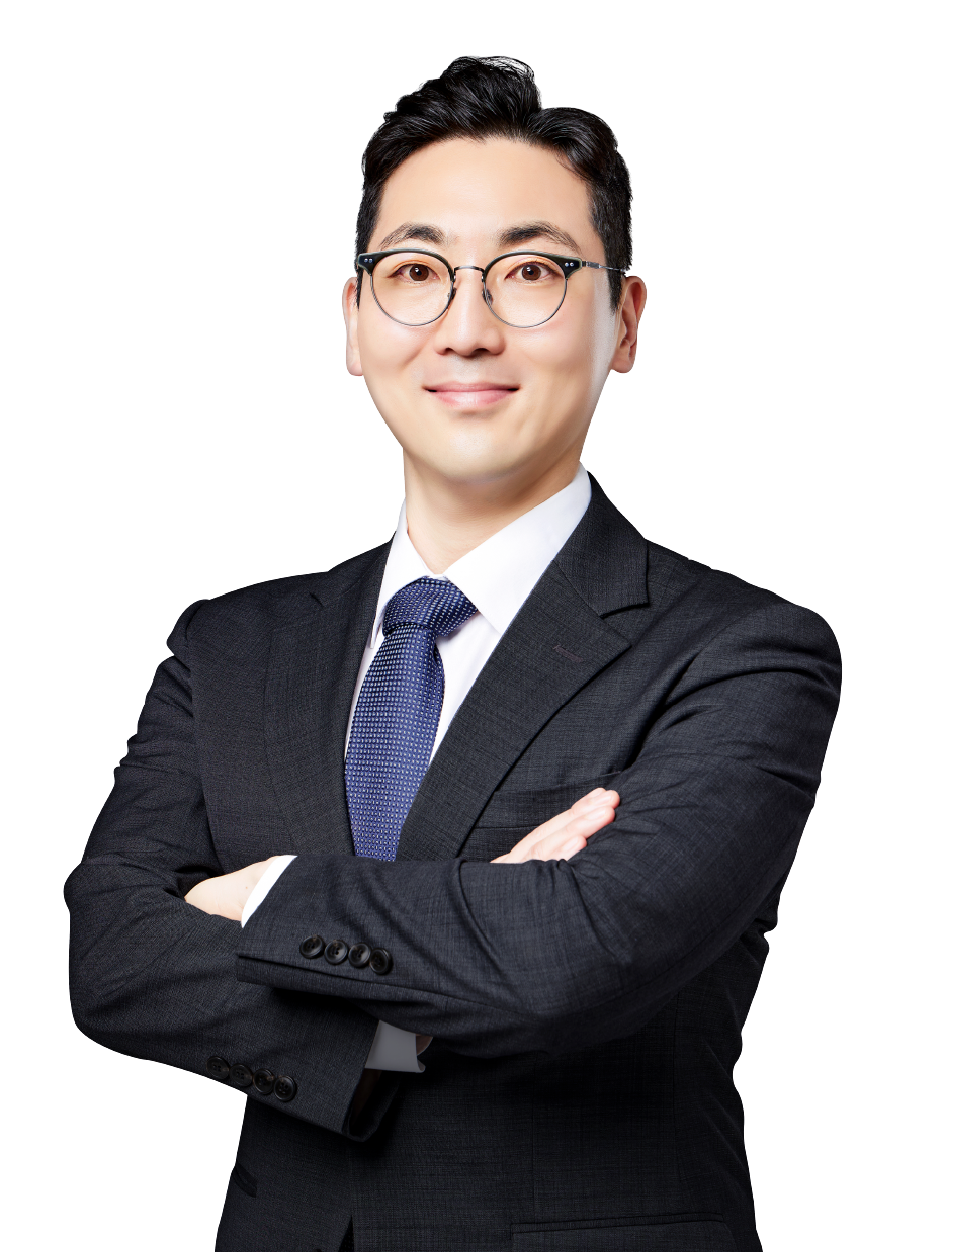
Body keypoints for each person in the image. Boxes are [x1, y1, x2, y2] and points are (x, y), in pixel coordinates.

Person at [65, 55, 841, 1252]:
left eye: (530, 272)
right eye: (416, 273)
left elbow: (572, 958)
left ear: (622, 320)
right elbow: (114, 955)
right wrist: (395, 1026)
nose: (467, 327)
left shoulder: (742, 654)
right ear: (354, 319)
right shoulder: (230, 646)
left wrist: (261, 893)